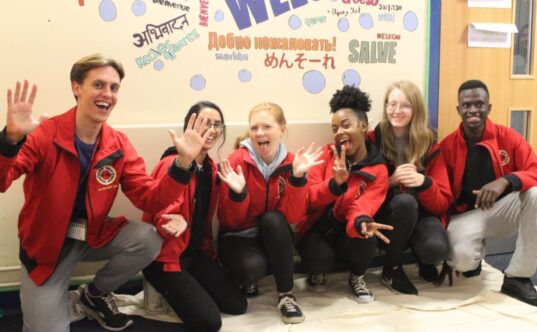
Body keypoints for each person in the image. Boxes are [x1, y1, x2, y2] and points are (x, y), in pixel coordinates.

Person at [0, 54, 208, 332]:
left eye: (114, 87)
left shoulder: (118, 143)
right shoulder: (44, 134)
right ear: (76, 87)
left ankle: (93, 295)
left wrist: (183, 165)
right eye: (98, 84)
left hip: (92, 236)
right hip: (46, 247)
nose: (107, 94)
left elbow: (149, 198)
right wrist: (10, 141)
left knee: (148, 239)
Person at [438, 79, 537, 308]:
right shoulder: (447, 146)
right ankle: (474, 258)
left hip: (503, 210)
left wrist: (507, 181)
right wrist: (443, 246)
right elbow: (442, 197)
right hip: (467, 215)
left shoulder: (508, 137)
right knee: (461, 261)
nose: (473, 110)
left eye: (479, 104)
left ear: (489, 108)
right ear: (458, 109)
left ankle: (518, 277)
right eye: (467, 105)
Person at [141, 101, 247, 331]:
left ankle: (188, 285)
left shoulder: (212, 168)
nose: (212, 129)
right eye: (205, 123)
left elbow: (228, 218)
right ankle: (164, 286)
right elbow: (161, 209)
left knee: (237, 305)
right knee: (209, 322)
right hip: (165, 258)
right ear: (190, 126)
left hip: (194, 252)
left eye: (217, 125)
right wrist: (174, 220)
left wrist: (240, 194)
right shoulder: (171, 164)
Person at [216, 102, 323, 324]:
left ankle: (286, 295)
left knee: (273, 218)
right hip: (238, 236)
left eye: (267, 126)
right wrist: (239, 194)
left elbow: (291, 218)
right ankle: (248, 276)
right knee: (252, 268)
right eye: (254, 128)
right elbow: (229, 221)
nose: (260, 133)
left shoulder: (293, 162)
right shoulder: (237, 160)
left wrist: (297, 179)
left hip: (270, 234)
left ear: (282, 129)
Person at [296, 85, 392, 304]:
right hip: (317, 228)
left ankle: (357, 277)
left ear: (363, 127)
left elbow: (364, 206)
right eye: (334, 128)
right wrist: (334, 185)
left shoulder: (378, 169)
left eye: (345, 125)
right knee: (320, 260)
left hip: (346, 230)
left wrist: (361, 223)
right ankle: (318, 270)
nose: (339, 132)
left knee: (368, 233)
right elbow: (309, 199)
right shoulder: (324, 155)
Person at [367, 80, 452, 295]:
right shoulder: (372, 140)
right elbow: (360, 192)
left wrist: (424, 183)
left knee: (436, 250)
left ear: (416, 109)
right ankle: (391, 269)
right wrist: (389, 182)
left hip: (422, 214)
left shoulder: (430, 142)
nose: (397, 111)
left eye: (405, 105)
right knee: (405, 202)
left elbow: (442, 203)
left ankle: (420, 256)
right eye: (391, 104)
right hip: (388, 215)